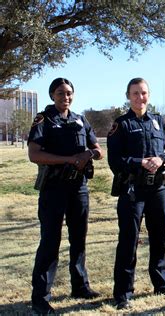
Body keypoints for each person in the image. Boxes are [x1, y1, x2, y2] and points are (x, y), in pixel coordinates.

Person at [27, 78, 103, 314]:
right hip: (54, 188)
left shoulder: (80, 119)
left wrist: (88, 153)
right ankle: (41, 297)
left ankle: (80, 286)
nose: (66, 97)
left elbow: (98, 149)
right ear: (52, 95)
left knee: (78, 239)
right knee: (50, 241)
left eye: (69, 93)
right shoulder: (44, 120)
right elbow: (34, 154)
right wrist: (70, 159)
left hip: (78, 188)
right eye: (60, 93)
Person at [107, 78, 165, 310]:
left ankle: (162, 283)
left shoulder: (159, 122)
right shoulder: (121, 124)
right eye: (136, 93)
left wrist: (162, 159)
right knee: (129, 240)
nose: (141, 97)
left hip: (158, 189)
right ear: (128, 96)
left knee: (159, 237)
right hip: (133, 190)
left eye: (144, 93)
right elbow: (115, 161)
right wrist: (140, 162)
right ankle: (123, 292)